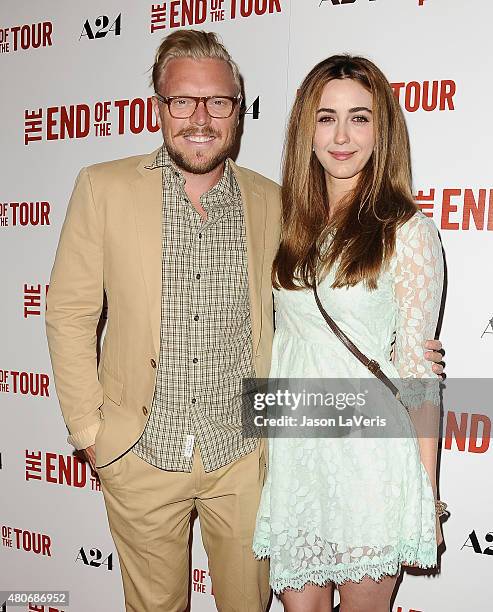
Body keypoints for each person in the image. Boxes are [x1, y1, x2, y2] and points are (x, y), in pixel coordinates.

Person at [45, 31, 444, 612]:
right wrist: (90, 432)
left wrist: (425, 485)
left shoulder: (273, 203)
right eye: (182, 101)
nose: (200, 118)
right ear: (157, 105)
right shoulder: (106, 189)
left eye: (218, 102)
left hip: (255, 460)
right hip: (150, 453)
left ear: (238, 110)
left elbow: (403, 361)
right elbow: (69, 313)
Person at [252, 55, 445, 612]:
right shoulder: (285, 223)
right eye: (325, 117)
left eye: (359, 118)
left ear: (381, 129)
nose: (341, 136)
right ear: (304, 131)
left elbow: (417, 371)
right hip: (295, 461)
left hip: (370, 461)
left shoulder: (406, 231)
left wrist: (425, 496)